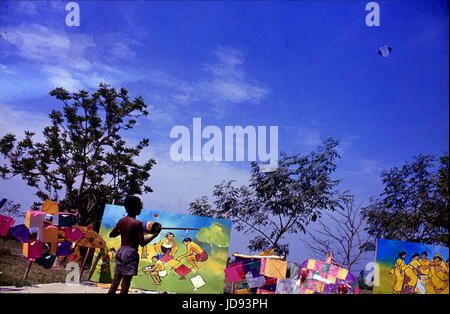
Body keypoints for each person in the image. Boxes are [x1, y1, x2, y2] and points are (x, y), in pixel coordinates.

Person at [107, 195, 161, 294]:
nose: (141, 208)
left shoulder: (122, 221)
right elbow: (142, 243)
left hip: (121, 251)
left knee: (116, 280)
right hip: (130, 253)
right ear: (134, 207)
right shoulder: (137, 223)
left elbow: (111, 234)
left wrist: (124, 230)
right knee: (126, 282)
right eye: (140, 206)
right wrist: (156, 234)